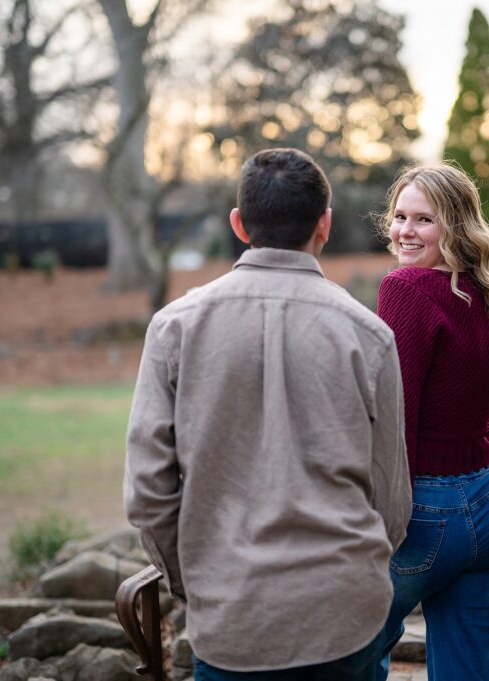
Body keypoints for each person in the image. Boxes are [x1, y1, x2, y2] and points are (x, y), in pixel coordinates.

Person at [124, 148, 412, 681]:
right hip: (345, 613)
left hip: (232, 618)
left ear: (238, 224)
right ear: (324, 224)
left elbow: (147, 491)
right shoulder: (368, 335)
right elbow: (392, 495)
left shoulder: (174, 329)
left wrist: (195, 583)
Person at [374, 163, 489, 681]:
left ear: (456, 227)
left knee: (347, 649)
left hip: (425, 510)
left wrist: (389, 512)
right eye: (400, 216)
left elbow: (397, 413)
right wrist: (484, 477)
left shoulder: (405, 289)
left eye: (424, 220)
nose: (404, 231)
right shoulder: (486, 294)